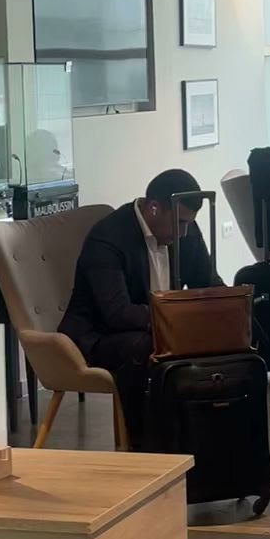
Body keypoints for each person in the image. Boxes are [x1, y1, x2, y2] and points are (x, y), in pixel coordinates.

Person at [59, 168, 221, 444]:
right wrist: (176, 320)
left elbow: (207, 281)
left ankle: (211, 438)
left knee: (228, 332)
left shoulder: (185, 230)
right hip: (100, 336)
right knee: (147, 347)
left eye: (189, 223)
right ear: (154, 208)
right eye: (180, 223)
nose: (184, 233)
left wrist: (231, 308)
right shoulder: (108, 238)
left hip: (156, 327)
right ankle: (147, 445)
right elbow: (116, 313)